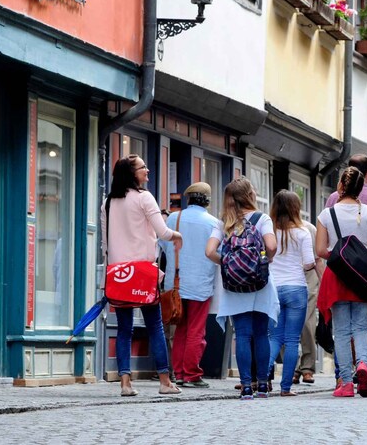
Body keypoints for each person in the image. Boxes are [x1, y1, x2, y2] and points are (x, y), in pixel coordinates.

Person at [100, 155, 183, 397]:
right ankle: (165, 382)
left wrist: (110, 273)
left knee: (125, 329)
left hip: (119, 273)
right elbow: (163, 232)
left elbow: (105, 244)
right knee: (155, 326)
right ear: (131, 173)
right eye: (142, 168)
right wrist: (177, 236)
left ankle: (125, 383)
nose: (147, 170)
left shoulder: (107, 203)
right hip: (143, 273)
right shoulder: (145, 198)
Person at [316, 166, 367, 398]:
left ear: (340, 186)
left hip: (337, 276)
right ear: (360, 188)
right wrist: (364, 256)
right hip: (363, 276)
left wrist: (339, 257)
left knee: (341, 330)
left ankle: (346, 382)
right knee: (361, 326)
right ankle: (363, 365)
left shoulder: (327, 214)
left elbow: (320, 249)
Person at [206, 178, 278, 400]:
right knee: (261, 334)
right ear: (250, 195)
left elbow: (209, 252)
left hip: (235, 287)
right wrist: (263, 262)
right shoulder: (261, 218)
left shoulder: (223, 222)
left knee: (243, 335)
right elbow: (272, 246)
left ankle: (246, 386)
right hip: (260, 283)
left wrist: (228, 264)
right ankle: (263, 385)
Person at [159, 182, 220, 389]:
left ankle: (178, 372)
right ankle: (191, 373)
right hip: (201, 283)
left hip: (175, 283)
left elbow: (163, 247)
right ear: (208, 201)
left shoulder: (174, 218)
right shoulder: (214, 223)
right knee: (196, 330)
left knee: (180, 329)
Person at [268, 190, 317, 397]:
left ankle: (261, 379)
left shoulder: (269, 231)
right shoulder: (302, 232)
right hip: (296, 288)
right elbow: (308, 263)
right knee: (291, 340)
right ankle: (285, 387)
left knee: (274, 338)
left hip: (273, 289)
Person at [293, 218, 324, 386]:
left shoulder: (309, 229)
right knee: (285, 326)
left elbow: (318, 258)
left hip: (308, 278)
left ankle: (307, 367)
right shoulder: (276, 227)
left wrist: (324, 282)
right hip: (286, 279)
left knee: (306, 323)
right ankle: (292, 367)